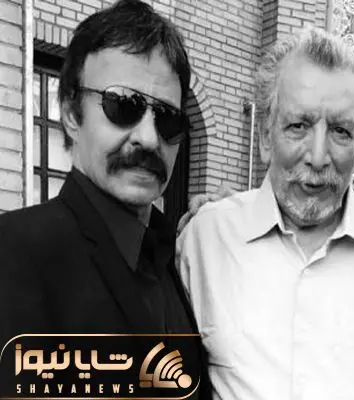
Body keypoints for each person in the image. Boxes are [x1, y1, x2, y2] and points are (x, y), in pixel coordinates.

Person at [177, 27, 354, 400]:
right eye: (298, 126)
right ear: (265, 136)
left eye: (340, 131)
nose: (318, 156)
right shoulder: (206, 239)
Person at [0, 0, 210, 396]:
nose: (149, 138)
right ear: (71, 113)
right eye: (123, 106)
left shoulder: (172, 256)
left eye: (167, 118)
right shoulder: (14, 252)